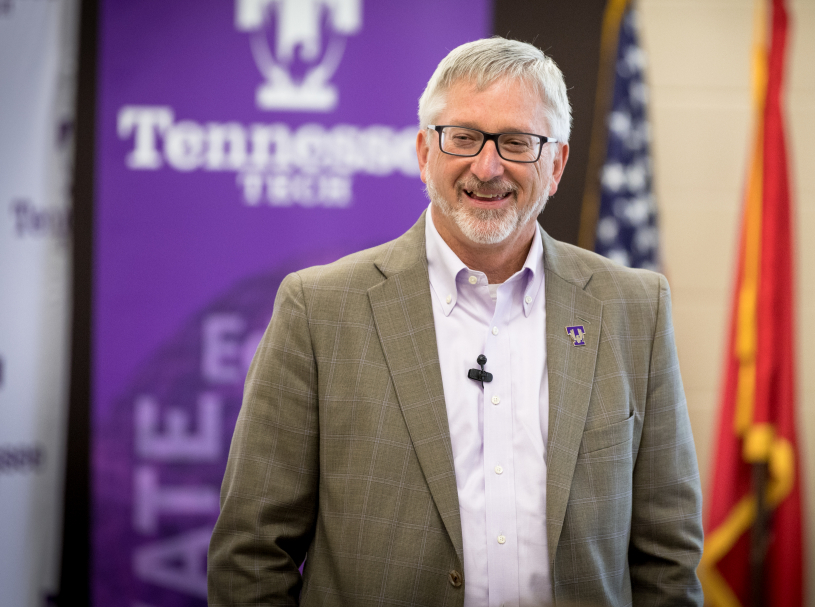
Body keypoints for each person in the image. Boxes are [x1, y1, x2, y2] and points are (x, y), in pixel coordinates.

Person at [208, 37, 703, 606]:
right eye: (463, 137)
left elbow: (669, 558)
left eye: (517, 142)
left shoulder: (634, 310)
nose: (487, 167)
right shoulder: (319, 311)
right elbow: (250, 555)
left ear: (557, 165)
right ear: (424, 152)